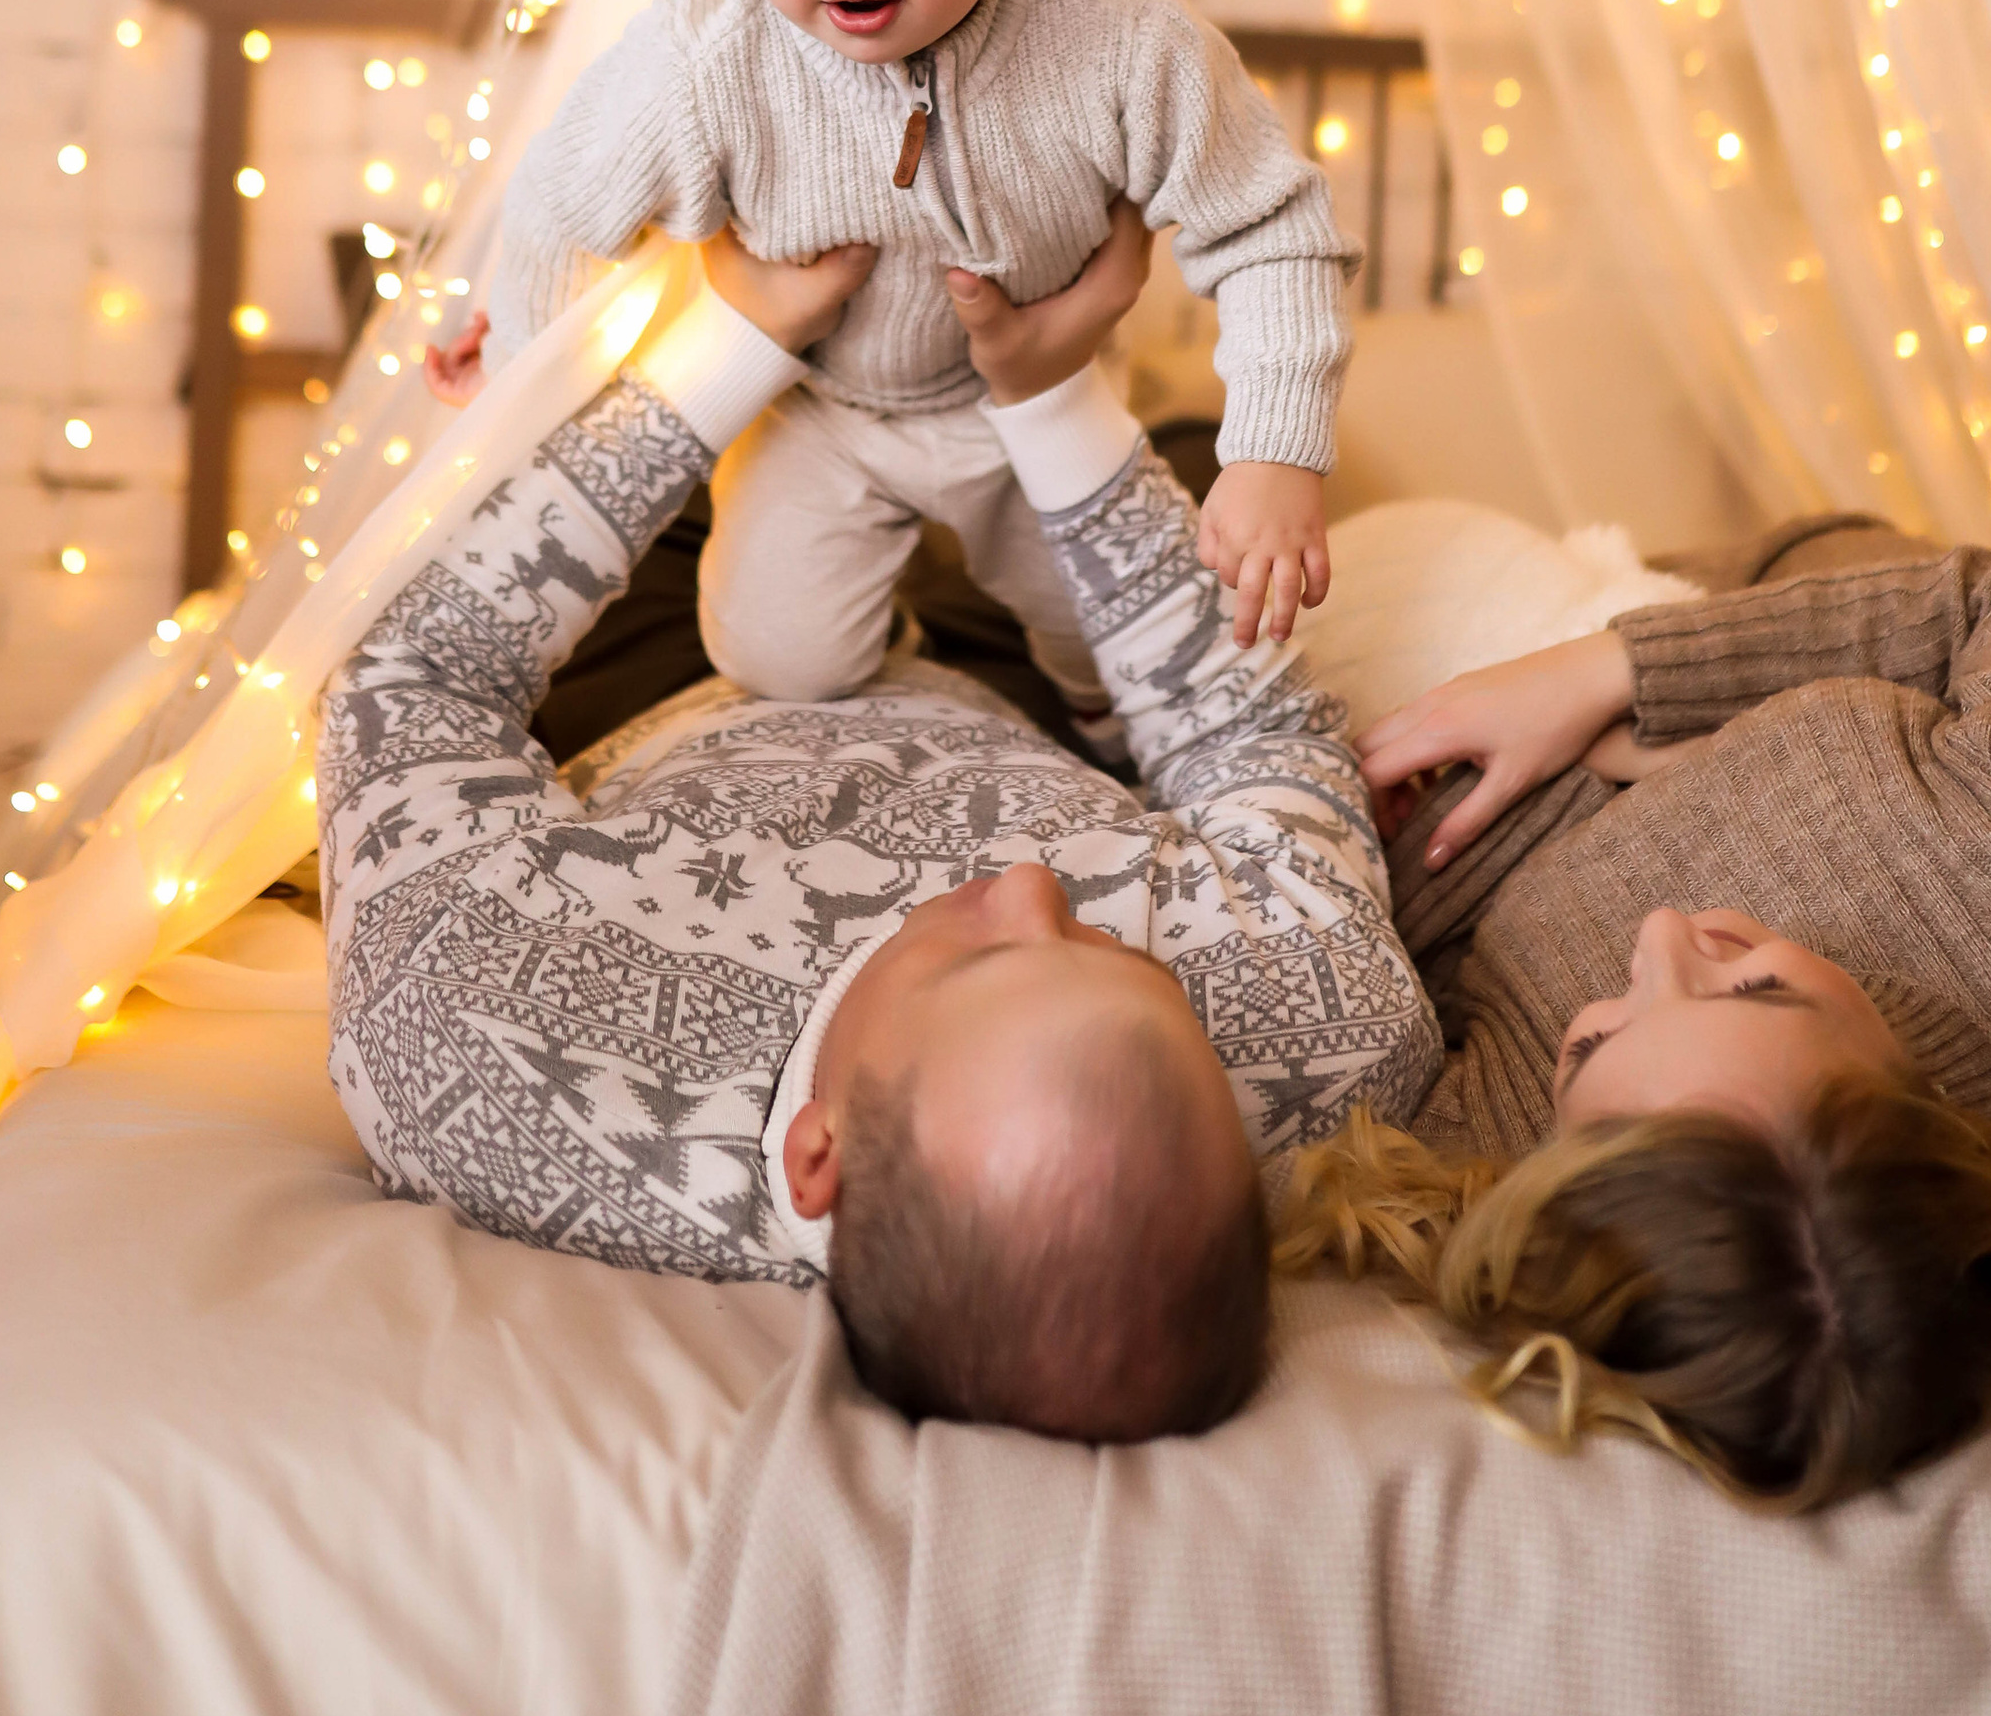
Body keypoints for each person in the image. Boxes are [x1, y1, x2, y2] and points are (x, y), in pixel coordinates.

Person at [318, 215, 1437, 1447]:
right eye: (1116, 946)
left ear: (816, 1156)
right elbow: (1261, 737)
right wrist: (1051, 395)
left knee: (603, 367)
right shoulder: (1324, 1037)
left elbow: (415, 674)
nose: (1024, 881)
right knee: (1190, 465)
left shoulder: (482, 1033)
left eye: (982, 955)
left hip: (665, 689)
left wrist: (734, 343)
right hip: (1024, 698)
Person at [453, 0, 1357, 719]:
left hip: (1035, 403)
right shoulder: (703, 64)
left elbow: (1272, 226)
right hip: (822, 412)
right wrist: (519, 382)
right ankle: (899, 644)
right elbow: (558, 207)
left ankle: (1086, 719)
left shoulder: (1116, 33)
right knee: (780, 662)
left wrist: (1275, 454)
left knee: (1112, 657)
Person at [1272, 519, 1991, 1507]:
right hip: (1683, 577)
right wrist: (1619, 672)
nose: (1659, 934)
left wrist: (1389, 826)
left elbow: (1368, 957)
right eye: (1758, 986)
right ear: (1932, 1112)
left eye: (1596, 1038)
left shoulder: (1479, 1153)